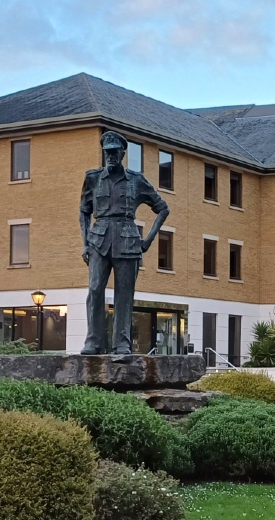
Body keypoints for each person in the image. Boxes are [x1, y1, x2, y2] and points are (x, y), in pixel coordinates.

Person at [79, 131, 169, 354]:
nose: (110, 156)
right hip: (99, 240)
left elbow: (162, 208)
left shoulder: (136, 180)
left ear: (122, 153)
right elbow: (84, 211)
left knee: (124, 295)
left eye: (114, 152)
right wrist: (85, 243)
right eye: (106, 152)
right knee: (95, 290)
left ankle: (122, 343)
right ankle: (93, 341)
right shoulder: (92, 178)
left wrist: (147, 239)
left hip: (128, 241)